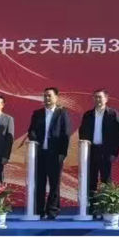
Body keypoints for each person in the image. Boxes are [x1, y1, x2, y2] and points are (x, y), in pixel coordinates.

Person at [28, 87, 71, 220]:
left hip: (55, 154)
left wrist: (63, 153)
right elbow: (31, 131)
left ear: (56, 97)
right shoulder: (37, 113)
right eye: (45, 95)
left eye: (49, 96)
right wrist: (35, 140)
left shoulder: (62, 113)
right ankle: (39, 210)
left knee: (54, 184)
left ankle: (52, 210)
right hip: (40, 154)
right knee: (39, 183)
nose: (46, 98)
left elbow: (65, 134)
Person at [79, 88, 119, 217]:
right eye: (96, 97)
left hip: (106, 152)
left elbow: (117, 135)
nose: (98, 99)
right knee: (91, 181)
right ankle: (92, 209)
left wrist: (114, 153)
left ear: (106, 99)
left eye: (100, 97)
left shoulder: (112, 114)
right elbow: (82, 132)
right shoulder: (88, 115)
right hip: (91, 151)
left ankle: (106, 208)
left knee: (106, 181)